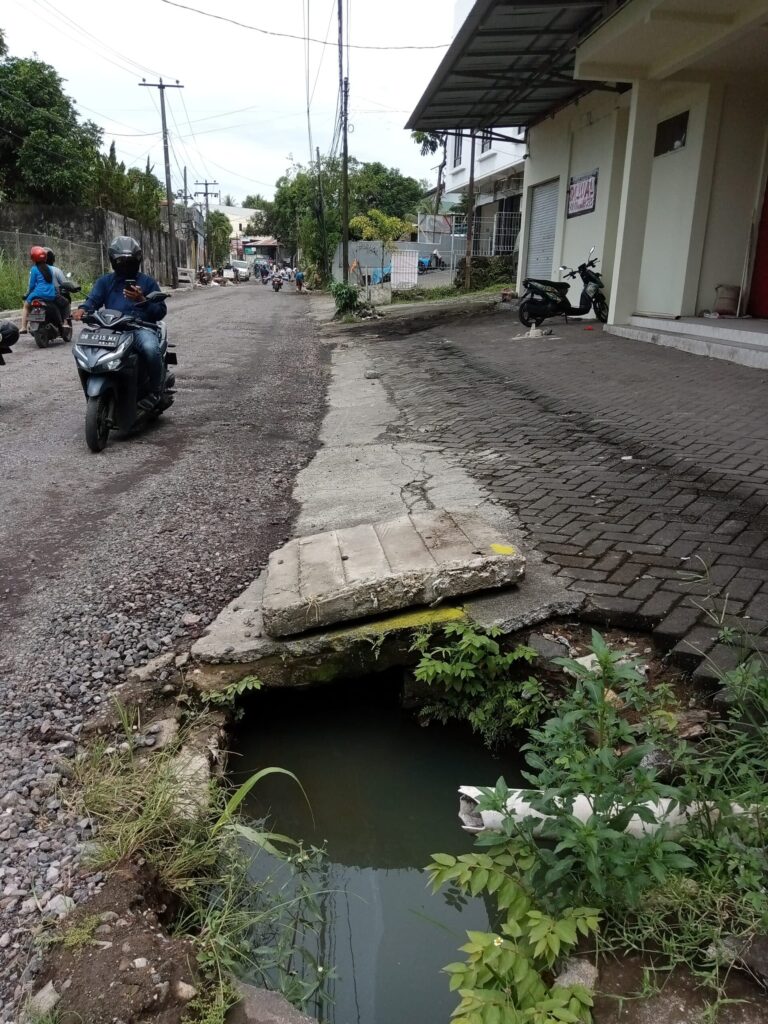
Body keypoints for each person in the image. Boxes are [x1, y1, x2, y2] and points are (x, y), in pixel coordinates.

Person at [73, 237, 166, 408]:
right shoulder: (105, 282)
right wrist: (82, 310)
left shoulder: (147, 282)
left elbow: (160, 311)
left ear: (136, 260)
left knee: (150, 349)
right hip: (112, 329)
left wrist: (142, 299)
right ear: (113, 261)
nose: (125, 265)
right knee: (83, 351)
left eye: (129, 261)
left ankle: (155, 392)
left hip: (140, 329)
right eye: (121, 261)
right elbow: (93, 300)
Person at [20, 246, 60, 334]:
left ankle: (23, 327)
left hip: (39, 293)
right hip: (50, 294)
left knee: (26, 305)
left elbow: (32, 285)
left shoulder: (34, 269)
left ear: (33, 258)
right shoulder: (49, 268)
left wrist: (27, 294)